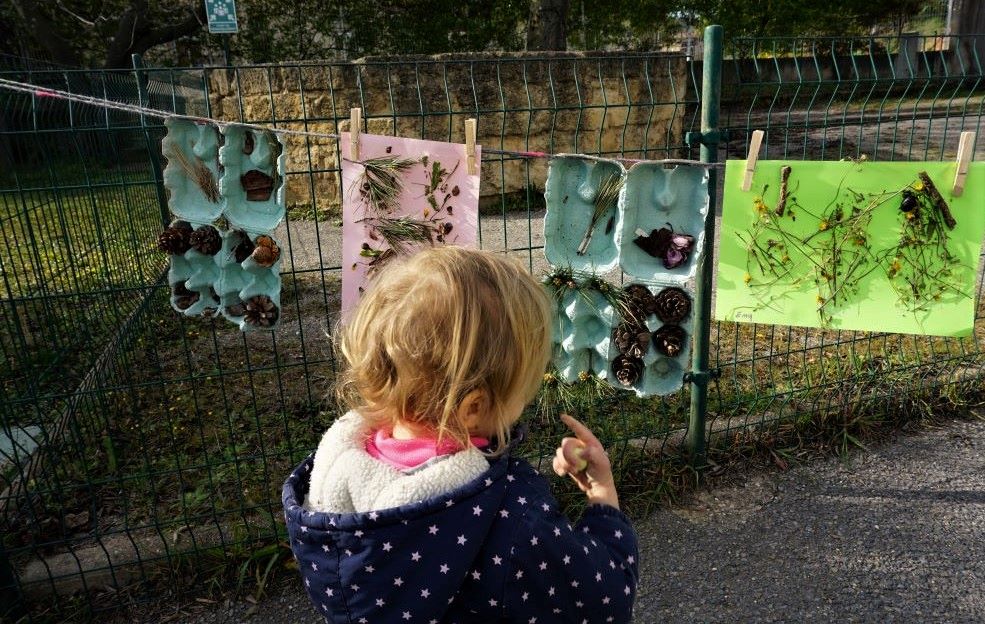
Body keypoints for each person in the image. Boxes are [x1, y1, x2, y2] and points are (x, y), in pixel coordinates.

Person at [282, 246, 638, 623]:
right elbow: (606, 600)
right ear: (472, 409)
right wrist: (602, 495)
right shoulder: (509, 514)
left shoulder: (332, 490)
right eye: (526, 384)